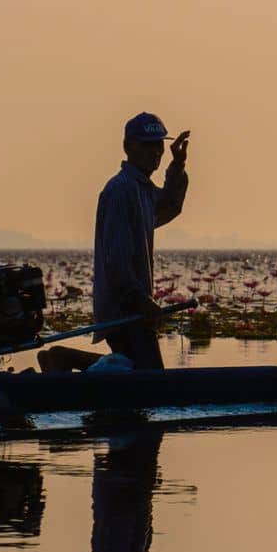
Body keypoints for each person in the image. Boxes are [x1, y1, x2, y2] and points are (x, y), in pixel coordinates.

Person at [93, 113, 190, 370]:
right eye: (146, 145)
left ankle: (63, 359)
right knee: (151, 379)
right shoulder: (121, 190)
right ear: (127, 146)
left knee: (132, 370)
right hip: (124, 309)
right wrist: (141, 300)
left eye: (158, 145)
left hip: (135, 307)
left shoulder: (142, 189)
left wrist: (177, 166)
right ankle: (63, 360)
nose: (155, 151)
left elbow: (169, 206)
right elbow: (117, 259)